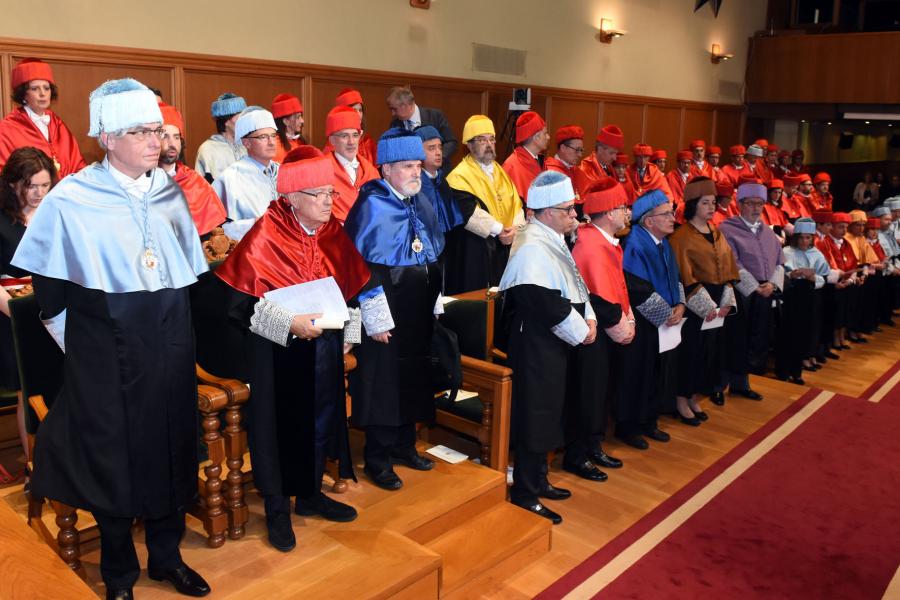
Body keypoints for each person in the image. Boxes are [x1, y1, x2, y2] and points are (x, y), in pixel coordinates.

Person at [12, 78, 210, 599]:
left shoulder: (168, 190)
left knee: (171, 447)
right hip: (104, 352)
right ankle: (119, 573)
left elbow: (185, 268)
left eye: (159, 131)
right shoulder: (72, 197)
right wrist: (75, 341)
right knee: (113, 461)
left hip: (168, 344)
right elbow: (48, 287)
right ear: (108, 137)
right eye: (143, 132)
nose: (157, 141)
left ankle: (167, 557)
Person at [215, 153, 369, 552]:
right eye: (317, 194)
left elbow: (350, 289)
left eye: (330, 192)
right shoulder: (266, 234)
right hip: (278, 354)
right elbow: (239, 307)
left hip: (324, 349)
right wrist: (288, 323)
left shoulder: (332, 231)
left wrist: (350, 332)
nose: (327, 201)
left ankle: (311, 493)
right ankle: (278, 508)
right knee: (278, 429)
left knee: (322, 419)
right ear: (291, 197)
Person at [344, 128, 462, 491]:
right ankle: (378, 458)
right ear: (387, 170)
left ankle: (405, 445)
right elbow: (364, 271)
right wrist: (376, 319)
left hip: (418, 310)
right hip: (386, 314)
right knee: (384, 385)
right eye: (408, 166)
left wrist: (435, 301)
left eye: (417, 165)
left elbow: (431, 256)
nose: (416, 172)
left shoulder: (419, 201)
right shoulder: (372, 205)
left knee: (413, 379)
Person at [499, 171, 596, 524]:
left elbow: (574, 286)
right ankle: (525, 491)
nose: (574, 215)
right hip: (535, 344)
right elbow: (538, 298)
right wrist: (580, 330)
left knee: (550, 410)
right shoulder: (531, 245)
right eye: (568, 210)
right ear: (547, 211)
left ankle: (539, 479)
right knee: (535, 415)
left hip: (552, 342)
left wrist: (591, 320)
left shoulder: (551, 237)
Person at [567, 177, 631, 481]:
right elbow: (594, 294)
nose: (627, 212)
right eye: (622, 207)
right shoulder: (590, 244)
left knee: (600, 392)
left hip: (607, 328)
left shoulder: (604, 241)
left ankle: (593, 445)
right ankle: (577, 455)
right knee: (588, 394)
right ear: (607, 212)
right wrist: (619, 320)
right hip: (592, 331)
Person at [0, 147, 56, 465]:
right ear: (11, 184)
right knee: (27, 389)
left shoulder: (53, 213)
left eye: (44, 185)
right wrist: (21, 315)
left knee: (59, 382)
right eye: (30, 185)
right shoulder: (2, 219)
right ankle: (36, 465)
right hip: (11, 313)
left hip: (52, 308)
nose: (37, 193)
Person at [616, 190, 684, 449]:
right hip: (642, 322)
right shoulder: (634, 243)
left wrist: (680, 304)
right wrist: (666, 315)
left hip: (664, 320)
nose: (672, 218)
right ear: (648, 220)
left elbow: (675, 277)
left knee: (657, 371)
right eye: (666, 214)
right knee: (636, 372)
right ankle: (629, 426)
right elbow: (635, 287)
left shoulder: (664, 242)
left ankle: (649, 420)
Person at [668, 178, 738, 425]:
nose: (711, 207)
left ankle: (694, 395)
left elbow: (729, 266)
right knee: (690, 351)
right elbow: (683, 276)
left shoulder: (716, 232)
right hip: (695, 301)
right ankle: (680, 398)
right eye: (705, 203)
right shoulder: (681, 236)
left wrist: (727, 298)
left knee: (707, 352)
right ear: (693, 205)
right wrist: (706, 306)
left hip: (717, 299)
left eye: (713, 203)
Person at [444, 115, 524, 294]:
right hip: (476, 250)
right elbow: (468, 212)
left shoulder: (501, 172)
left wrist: (515, 229)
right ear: (470, 145)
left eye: (492, 139)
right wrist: (500, 230)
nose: (489, 144)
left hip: (505, 246)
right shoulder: (459, 176)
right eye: (481, 140)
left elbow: (516, 204)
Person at [719, 181, 785, 390]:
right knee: (736, 340)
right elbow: (732, 262)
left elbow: (780, 261)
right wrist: (755, 287)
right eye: (750, 203)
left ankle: (744, 384)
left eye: (760, 204)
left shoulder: (767, 231)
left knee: (757, 339)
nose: (756, 208)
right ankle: (724, 384)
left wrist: (772, 284)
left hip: (765, 292)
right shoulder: (727, 228)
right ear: (740, 204)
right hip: (742, 293)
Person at [0, 58, 85, 177]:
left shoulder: (58, 124)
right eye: (35, 88)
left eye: (46, 88)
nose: (42, 93)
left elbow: (77, 165)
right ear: (23, 94)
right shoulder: (7, 128)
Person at [157, 103, 226, 237]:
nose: (172, 144)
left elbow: (212, 231)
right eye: (165, 136)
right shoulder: (140, 181)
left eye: (176, 137)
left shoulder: (194, 181)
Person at [777, 218, 831, 384]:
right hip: (791, 296)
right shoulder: (786, 251)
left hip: (809, 296)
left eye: (808, 237)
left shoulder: (817, 254)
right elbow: (777, 273)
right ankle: (783, 371)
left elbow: (825, 278)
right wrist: (790, 275)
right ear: (796, 237)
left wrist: (813, 277)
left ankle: (797, 371)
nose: (804, 241)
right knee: (787, 333)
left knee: (803, 334)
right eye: (801, 237)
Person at [212, 107, 280, 235]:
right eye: (263, 137)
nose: (272, 142)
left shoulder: (283, 172)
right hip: (252, 248)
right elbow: (219, 229)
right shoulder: (231, 178)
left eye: (273, 136)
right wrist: (255, 223)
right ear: (246, 143)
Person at [323, 106, 380, 223]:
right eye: (344, 136)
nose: (351, 142)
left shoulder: (371, 171)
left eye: (355, 135)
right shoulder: (321, 170)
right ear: (332, 140)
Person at [386, 86, 458, 158]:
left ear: (406, 105)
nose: (393, 113)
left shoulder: (435, 116)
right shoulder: (395, 123)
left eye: (394, 109)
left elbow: (451, 143)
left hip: (437, 168)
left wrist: (436, 157)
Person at [194, 92, 248, 182]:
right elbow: (201, 186)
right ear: (226, 121)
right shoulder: (208, 149)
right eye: (240, 118)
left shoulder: (247, 145)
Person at [845, 210, 881, 338]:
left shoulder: (861, 238)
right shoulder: (846, 238)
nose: (861, 228)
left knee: (861, 303)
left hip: (862, 272)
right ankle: (850, 330)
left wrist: (865, 274)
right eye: (858, 225)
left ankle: (858, 328)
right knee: (851, 305)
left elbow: (869, 259)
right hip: (851, 273)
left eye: (863, 225)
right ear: (851, 225)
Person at [502, 111, 549, 203]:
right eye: (545, 133)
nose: (548, 137)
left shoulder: (540, 161)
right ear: (536, 137)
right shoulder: (512, 166)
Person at [574, 125, 622, 196]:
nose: (615, 158)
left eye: (616, 153)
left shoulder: (609, 167)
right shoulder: (585, 170)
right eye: (611, 153)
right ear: (599, 149)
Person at [332, 88, 377, 164]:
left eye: (360, 110)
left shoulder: (368, 142)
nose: (358, 114)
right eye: (354, 110)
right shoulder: (335, 141)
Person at [270, 93, 305, 163]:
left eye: (301, 116)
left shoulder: (299, 141)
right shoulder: (275, 147)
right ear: (286, 121)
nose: (302, 121)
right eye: (298, 117)